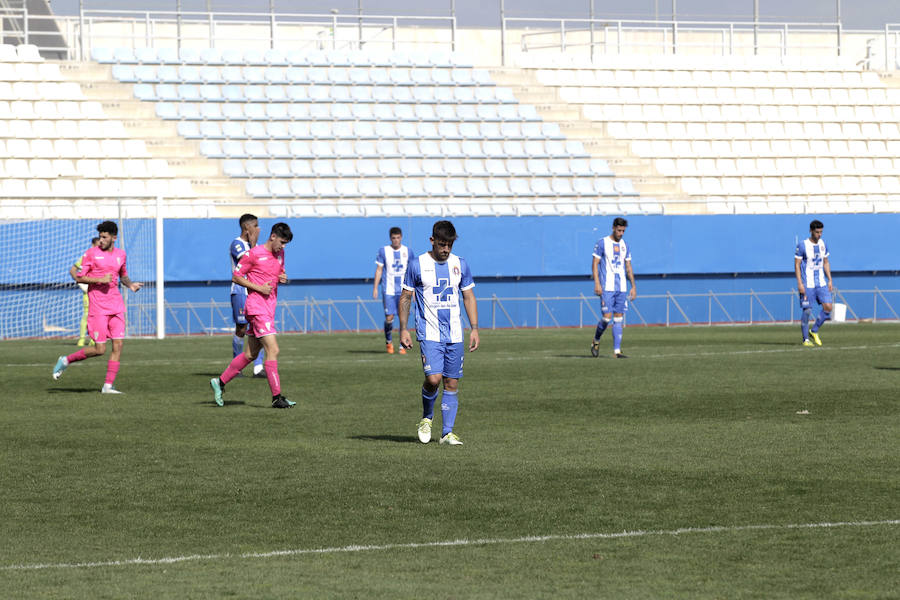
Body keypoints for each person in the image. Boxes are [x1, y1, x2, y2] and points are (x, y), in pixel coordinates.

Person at [399, 220, 479, 446]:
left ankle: (446, 433)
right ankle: (427, 418)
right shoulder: (417, 264)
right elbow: (406, 297)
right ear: (432, 240)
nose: (446, 249)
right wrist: (403, 329)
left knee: (451, 383)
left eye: (449, 245)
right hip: (429, 331)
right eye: (442, 244)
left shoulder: (460, 264)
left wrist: (474, 328)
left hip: (455, 333)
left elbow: (468, 297)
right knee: (433, 379)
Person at [210, 222, 295, 408]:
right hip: (256, 308)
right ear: (273, 236)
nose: (283, 247)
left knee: (250, 354)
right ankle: (277, 398)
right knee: (273, 350)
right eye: (282, 242)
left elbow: (279, 272)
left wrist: (282, 277)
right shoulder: (253, 254)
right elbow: (236, 276)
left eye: (286, 244)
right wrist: (259, 288)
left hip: (269, 308)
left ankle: (219, 382)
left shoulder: (280, 254)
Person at [52, 221, 143, 393]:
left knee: (118, 345)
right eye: (100, 237)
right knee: (100, 349)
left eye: (104, 237)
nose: (101, 240)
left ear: (114, 238)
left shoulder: (121, 254)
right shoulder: (91, 253)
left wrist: (130, 284)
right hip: (98, 308)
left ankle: (108, 386)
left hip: (116, 306)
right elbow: (79, 277)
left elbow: (123, 275)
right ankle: (66, 360)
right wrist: (99, 279)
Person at [590, 217, 637, 359]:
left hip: (621, 287)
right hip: (607, 287)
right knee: (606, 318)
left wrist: (633, 286)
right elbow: (595, 263)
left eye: (623, 231)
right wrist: (597, 283)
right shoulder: (602, 242)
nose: (621, 233)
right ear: (613, 228)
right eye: (619, 230)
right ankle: (596, 340)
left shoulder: (625, 245)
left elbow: (628, 267)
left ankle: (617, 351)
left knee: (618, 318)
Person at [230, 213, 265, 376]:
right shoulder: (237, 244)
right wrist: (254, 244)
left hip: (255, 290)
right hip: (240, 290)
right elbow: (248, 260)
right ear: (246, 227)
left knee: (259, 327)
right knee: (242, 328)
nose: (258, 229)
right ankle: (236, 366)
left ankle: (258, 368)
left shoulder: (255, 246)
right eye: (255, 225)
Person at [372, 226, 412, 355]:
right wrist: (375, 288)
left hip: (404, 291)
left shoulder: (408, 251)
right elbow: (379, 270)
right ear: (390, 238)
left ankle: (402, 345)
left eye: (398, 237)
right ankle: (389, 341)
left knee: (403, 318)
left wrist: (415, 290)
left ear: (401, 237)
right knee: (389, 317)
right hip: (388, 290)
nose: (396, 240)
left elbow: (412, 271)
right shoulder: (383, 251)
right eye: (393, 238)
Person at [795, 219, 834, 347]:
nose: (819, 235)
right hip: (808, 283)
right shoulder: (802, 245)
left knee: (828, 307)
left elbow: (826, 262)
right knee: (807, 311)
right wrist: (800, 283)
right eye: (817, 232)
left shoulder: (823, 244)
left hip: (821, 282)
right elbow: (797, 264)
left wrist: (830, 279)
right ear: (811, 231)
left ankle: (814, 330)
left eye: (821, 232)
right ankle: (805, 339)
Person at [70, 236, 100, 347]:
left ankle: (94, 339)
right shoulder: (86, 257)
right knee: (87, 315)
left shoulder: (103, 257)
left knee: (98, 316)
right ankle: (82, 339)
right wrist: (79, 281)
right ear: (93, 245)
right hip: (88, 292)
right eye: (98, 245)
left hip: (99, 291)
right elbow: (73, 270)